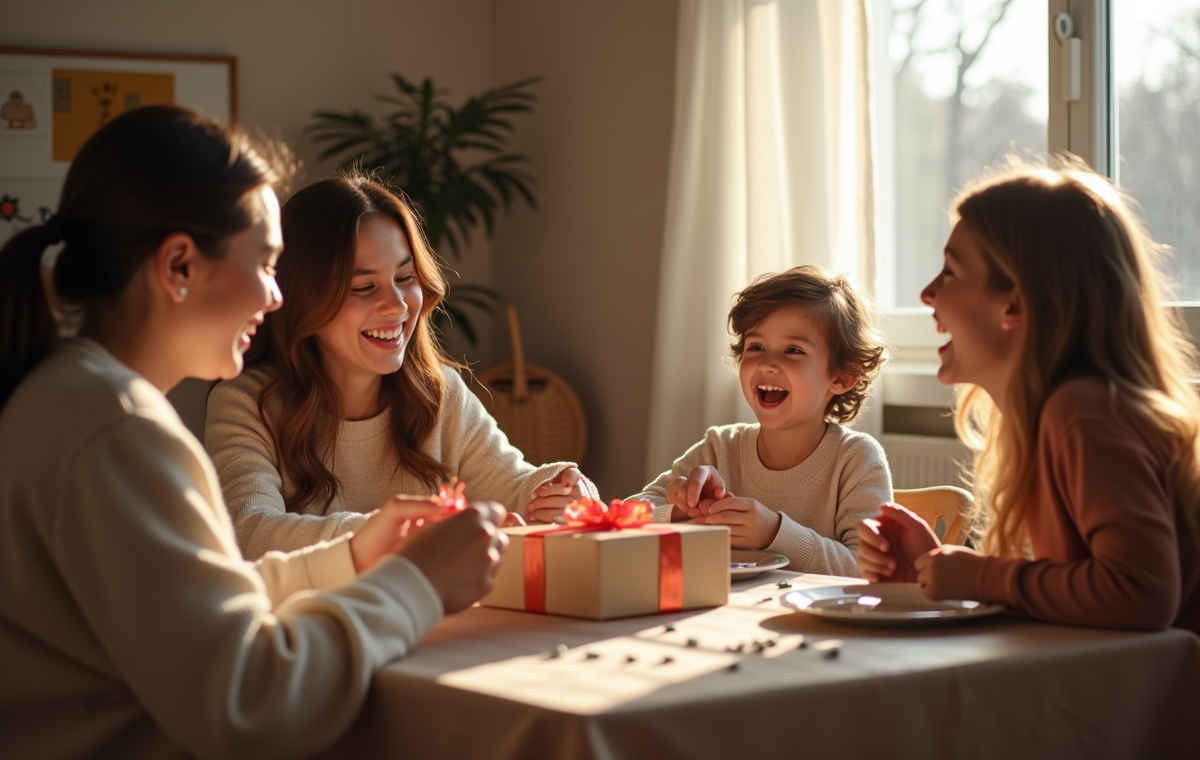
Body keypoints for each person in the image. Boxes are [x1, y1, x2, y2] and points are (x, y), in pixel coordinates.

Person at [0, 105, 509, 759]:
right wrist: (416, 582)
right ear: (179, 266)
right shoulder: (117, 431)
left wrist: (355, 556)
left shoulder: (71, 398)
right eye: (267, 264)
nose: (277, 296)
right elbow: (247, 700)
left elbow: (198, 608)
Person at [857, 156, 1200, 633]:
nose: (927, 294)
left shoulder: (1082, 412)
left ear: (1014, 303)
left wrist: (980, 576)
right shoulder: (1057, 414)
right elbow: (1078, 595)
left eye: (950, 272)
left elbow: (1141, 594)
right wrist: (934, 571)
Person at [204, 172, 597, 562]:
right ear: (303, 299)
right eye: (364, 287)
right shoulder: (246, 402)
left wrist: (564, 491)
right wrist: (409, 531)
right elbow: (249, 534)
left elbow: (518, 487)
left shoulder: (440, 393)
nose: (396, 306)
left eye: (405, 277)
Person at [629, 265, 892, 576]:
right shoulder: (720, 447)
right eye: (756, 347)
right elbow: (628, 513)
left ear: (842, 376)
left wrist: (776, 533)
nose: (767, 363)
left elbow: (868, 569)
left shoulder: (857, 459)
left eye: (793, 350)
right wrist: (679, 511)